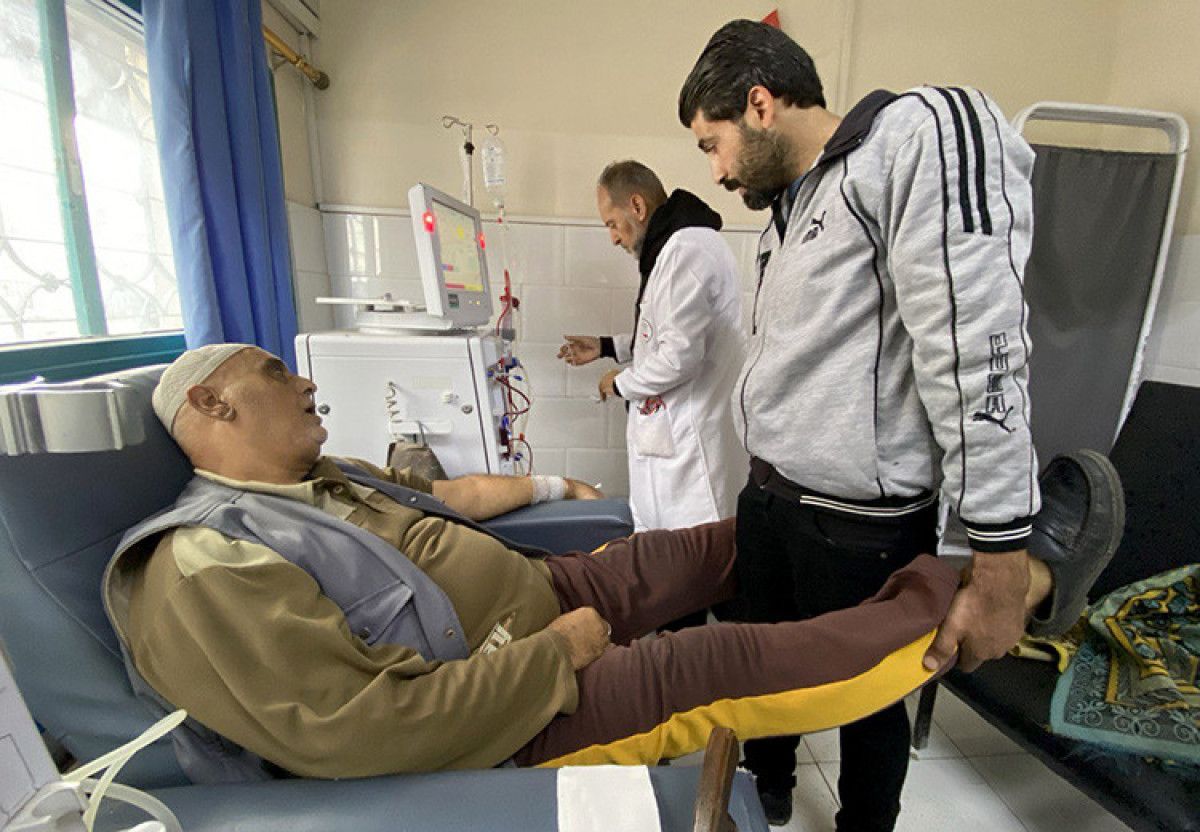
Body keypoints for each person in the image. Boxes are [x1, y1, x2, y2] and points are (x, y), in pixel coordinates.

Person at [102, 343, 1117, 786]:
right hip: (503, 710)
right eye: (277, 372)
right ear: (212, 406)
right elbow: (363, 732)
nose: (305, 381)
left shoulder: (320, 477)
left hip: (541, 596)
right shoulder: (204, 567)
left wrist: (553, 486)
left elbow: (451, 500)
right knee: (716, 663)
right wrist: (555, 655)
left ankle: (951, 542)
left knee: (738, 535)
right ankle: (1013, 587)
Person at [677, 20, 1058, 828]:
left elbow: (976, 346)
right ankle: (770, 783)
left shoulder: (913, 136)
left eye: (713, 144)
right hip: (772, 499)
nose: (715, 171)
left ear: (760, 105)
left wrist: (1001, 561)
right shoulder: (789, 212)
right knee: (763, 666)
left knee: (870, 704)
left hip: (859, 525)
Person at [557, 161, 745, 553]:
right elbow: (662, 332)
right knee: (667, 558)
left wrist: (619, 383)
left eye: (612, 223)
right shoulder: (672, 248)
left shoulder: (686, 251)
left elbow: (679, 355)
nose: (613, 238)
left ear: (637, 206)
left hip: (689, 457)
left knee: (694, 560)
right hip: (673, 449)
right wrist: (607, 346)